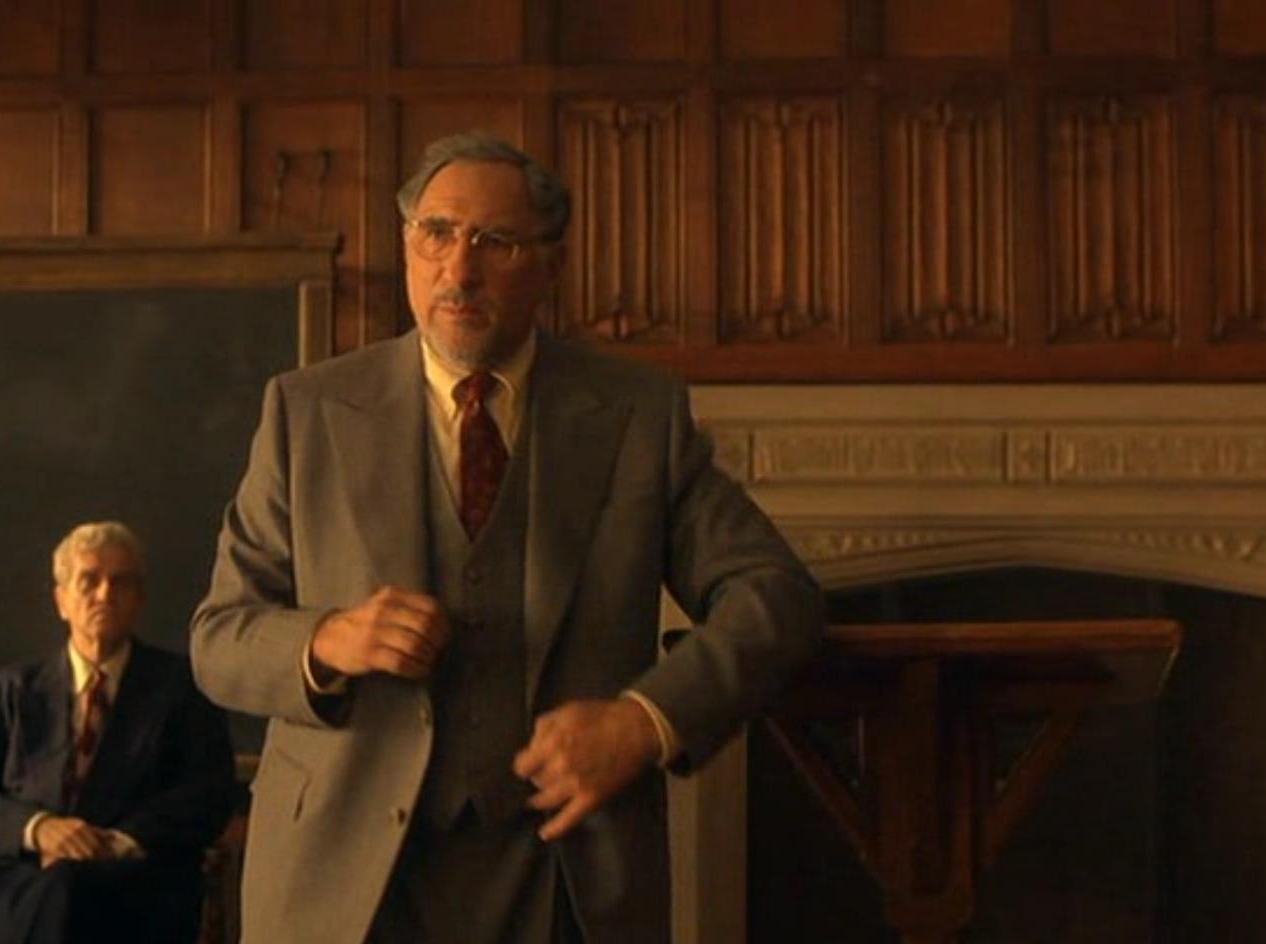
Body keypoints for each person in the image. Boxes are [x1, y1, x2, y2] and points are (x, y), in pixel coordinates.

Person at [190, 132, 824, 944]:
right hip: (345, 886)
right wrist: (325, 641)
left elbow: (775, 596)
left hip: (566, 879)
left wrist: (643, 720)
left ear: (552, 265)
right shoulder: (306, 411)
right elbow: (219, 638)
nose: (459, 269)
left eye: (496, 242)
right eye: (438, 233)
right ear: (407, 245)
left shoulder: (636, 416)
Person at [0, 521, 237, 944]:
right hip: (31, 884)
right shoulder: (12, 690)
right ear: (62, 600)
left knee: (72, 886)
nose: (105, 594)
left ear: (139, 598)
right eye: (89, 580)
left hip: (138, 883)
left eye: (120, 582)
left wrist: (116, 842)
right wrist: (40, 828)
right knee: (59, 888)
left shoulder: (183, 687)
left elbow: (209, 794)